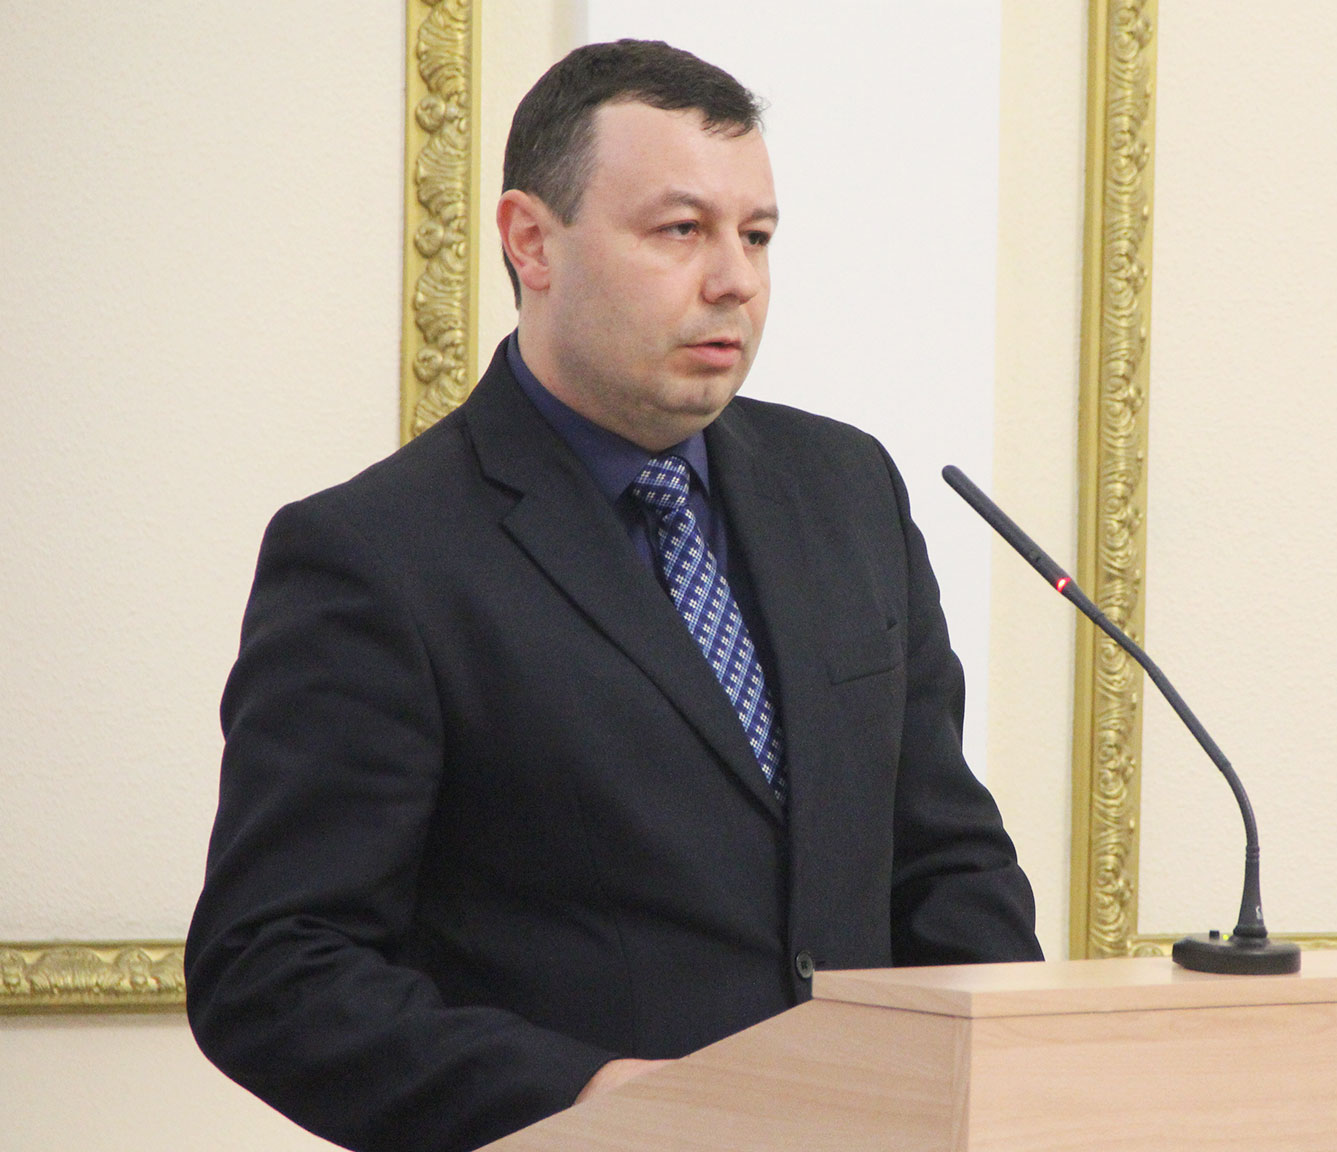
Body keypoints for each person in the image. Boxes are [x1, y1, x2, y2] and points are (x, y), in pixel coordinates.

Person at [185, 39, 1042, 1152]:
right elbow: (273, 967)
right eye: (681, 231)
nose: (734, 279)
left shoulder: (846, 489)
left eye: (757, 235)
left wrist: (1012, 1083)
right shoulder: (375, 556)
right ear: (530, 241)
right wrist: (587, 1094)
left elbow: (946, 863)